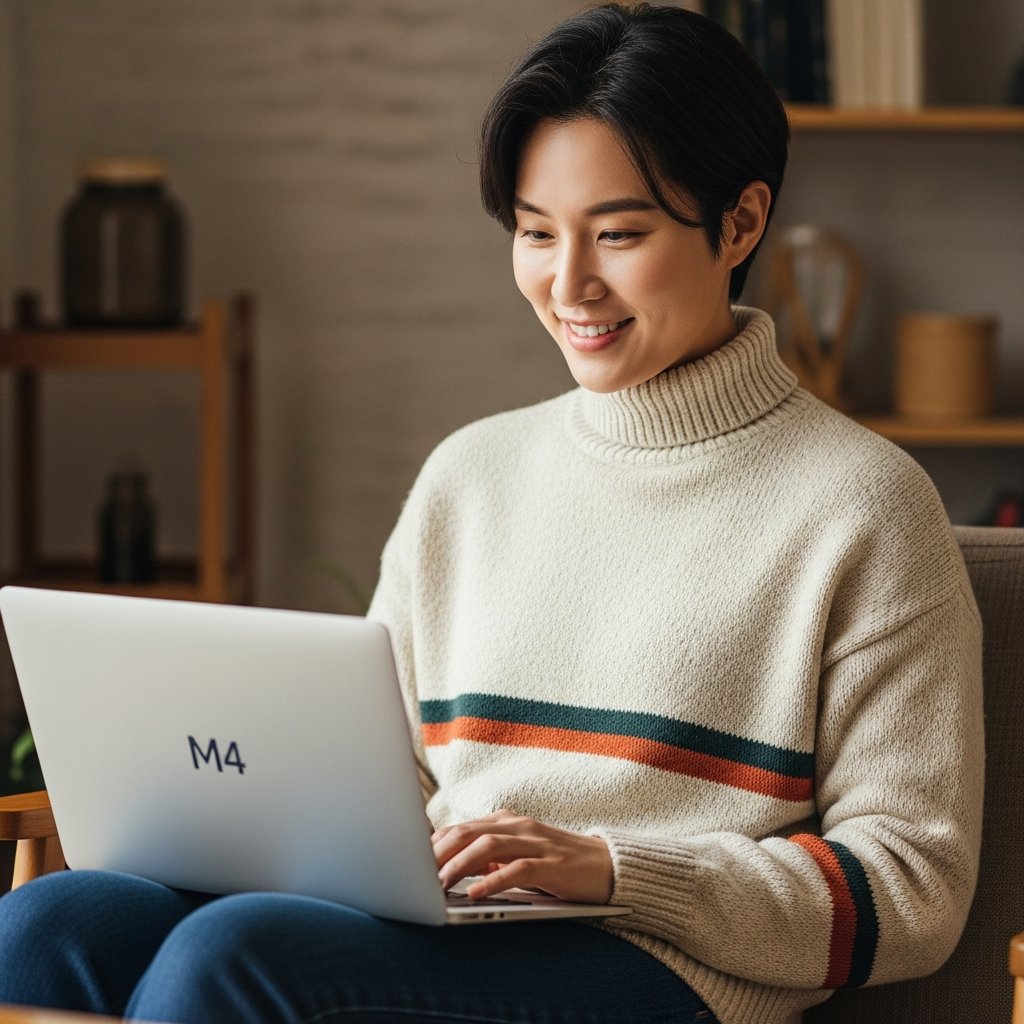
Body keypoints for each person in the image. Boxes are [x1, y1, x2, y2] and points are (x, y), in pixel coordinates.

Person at [0, 5, 983, 1024]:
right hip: (449, 922)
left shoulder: (862, 507)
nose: (569, 285)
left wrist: (612, 868)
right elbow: (376, 777)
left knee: (229, 959)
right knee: (43, 927)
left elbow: (910, 888)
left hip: (660, 967)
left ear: (739, 222)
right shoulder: (469, 476)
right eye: (533, 233)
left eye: (618, 233)